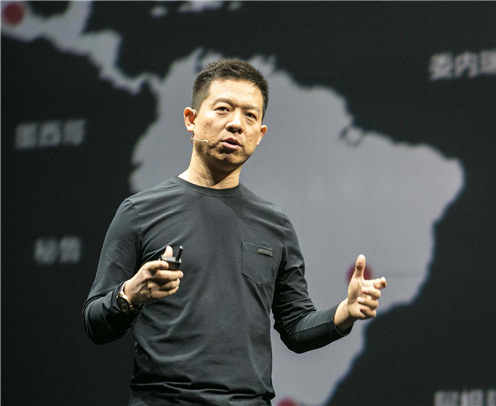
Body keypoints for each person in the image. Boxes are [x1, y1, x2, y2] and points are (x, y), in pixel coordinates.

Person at [82, 59, 387, 405]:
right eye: (223, 109)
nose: (236, 124)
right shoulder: (139, 213)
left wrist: (345, 311)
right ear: (191, 119)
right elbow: (94, 323)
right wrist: (130, 295)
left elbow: (295, 327)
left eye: (250, 116)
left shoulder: (275, 225)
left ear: (260, 134)